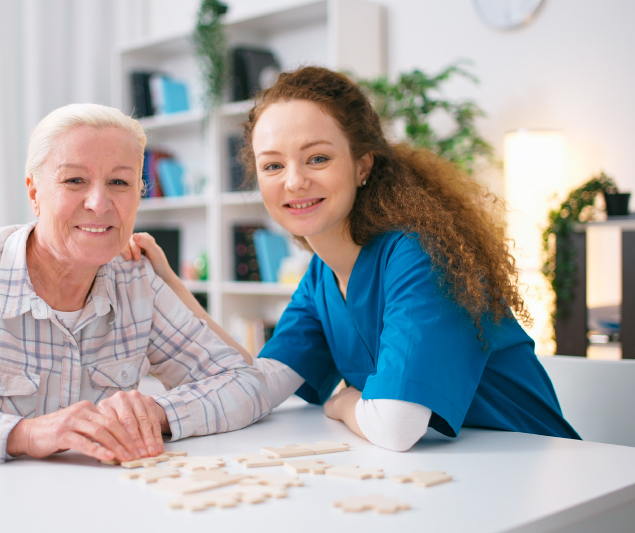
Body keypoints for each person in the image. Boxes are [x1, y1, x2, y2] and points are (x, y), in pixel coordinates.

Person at [126, 66, 580, 452]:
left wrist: (343, 403)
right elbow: (259, 383)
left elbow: (397, 426)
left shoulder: (420, 254)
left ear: (362, 165)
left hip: (534, 469)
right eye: (273, 166)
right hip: (450, 475)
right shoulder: (322, 275)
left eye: (317, 158)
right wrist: (169, 283)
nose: (294, 181)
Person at [0, 103, 270, 466]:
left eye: (119, 182)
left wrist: (156, 413)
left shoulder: (136, 279)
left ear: (139, 195)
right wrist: (21, 434)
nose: (99, 203)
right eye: (74, 180)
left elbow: (243, 382)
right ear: (34, 192)